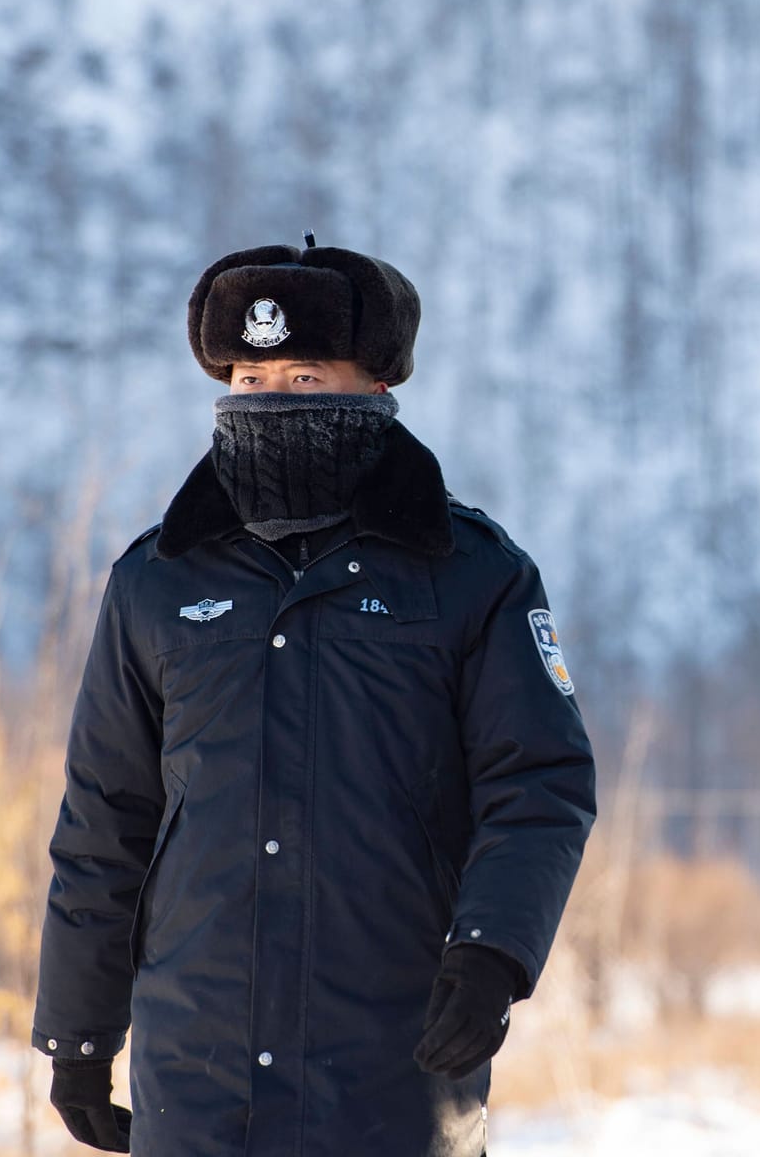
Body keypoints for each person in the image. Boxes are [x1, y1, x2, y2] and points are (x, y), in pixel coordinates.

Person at [30, 237, 597, 1156]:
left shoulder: (473, 575)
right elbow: (105, 819)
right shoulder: (157, 581)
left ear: (375, 387)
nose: (272, 401)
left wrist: (494, 953)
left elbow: (540, 784)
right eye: (250, 380)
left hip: (393, 1063)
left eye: (304, 374)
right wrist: (78, 1031)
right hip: (196, 1075)